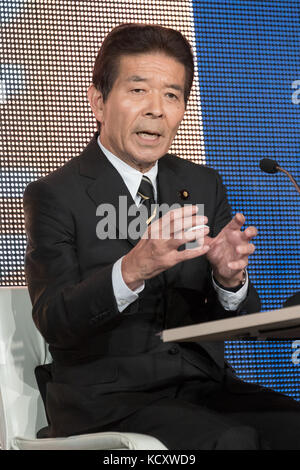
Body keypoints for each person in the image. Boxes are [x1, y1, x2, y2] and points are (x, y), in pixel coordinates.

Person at [23, 23, 300, 450]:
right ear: (99, 102)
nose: (157, 109)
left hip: (203, 387)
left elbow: (239, 321)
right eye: (138, 90)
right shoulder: (56, 195)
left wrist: (229, 281)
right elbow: (54, 320)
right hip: (108, 401)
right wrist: (133, 269)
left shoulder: (202, 184)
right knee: (231, 441)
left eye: (172, 95)